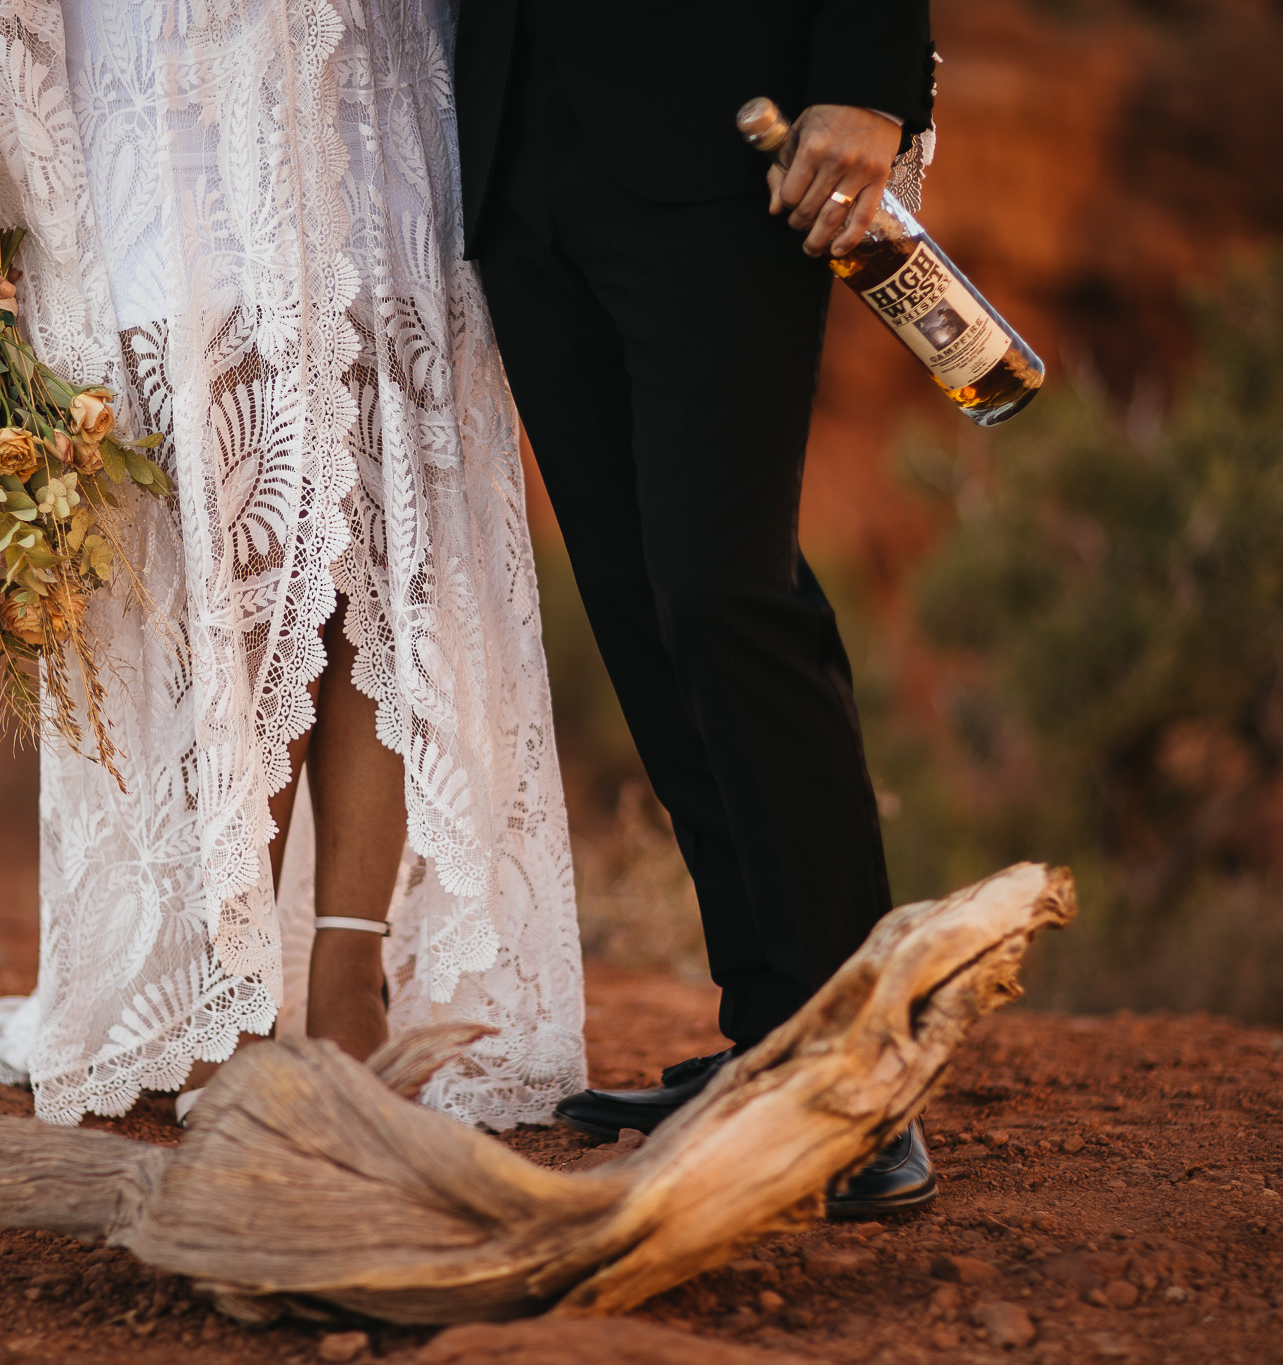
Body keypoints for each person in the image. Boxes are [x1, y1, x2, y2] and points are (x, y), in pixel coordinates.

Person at [0, 0, 587, 1131]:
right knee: (210, 551)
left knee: (377, 546)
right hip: (161, 109)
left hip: (371, 88)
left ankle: (349, 988)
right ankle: (229, 994)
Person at [455, 0, 941, 1213]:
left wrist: (868, 86)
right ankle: (770, 1030)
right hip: (512, 146)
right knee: (635, 603)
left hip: (732, 138)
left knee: (725, 588)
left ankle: (858, 1074)